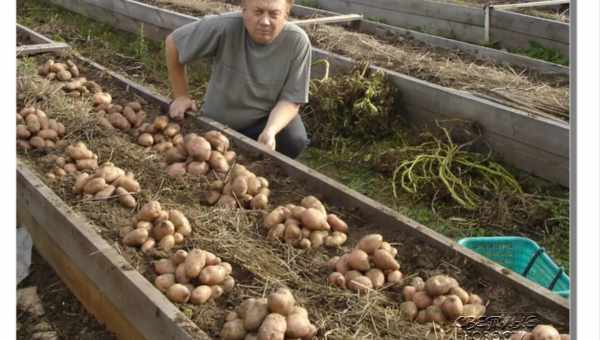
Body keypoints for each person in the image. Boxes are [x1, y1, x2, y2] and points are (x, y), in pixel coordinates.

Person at [165, 0, 312, 159]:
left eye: (274, 14)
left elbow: (291, 99)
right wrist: (181, 95)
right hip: (221, 119)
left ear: (286, 13)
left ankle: (266, 165)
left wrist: (271, 130)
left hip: (264, 119)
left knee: (294, 140)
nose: (265, 21)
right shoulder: (225, 26)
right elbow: (174, 43)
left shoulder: (297, 42)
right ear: (243, 10)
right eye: (258, 12)